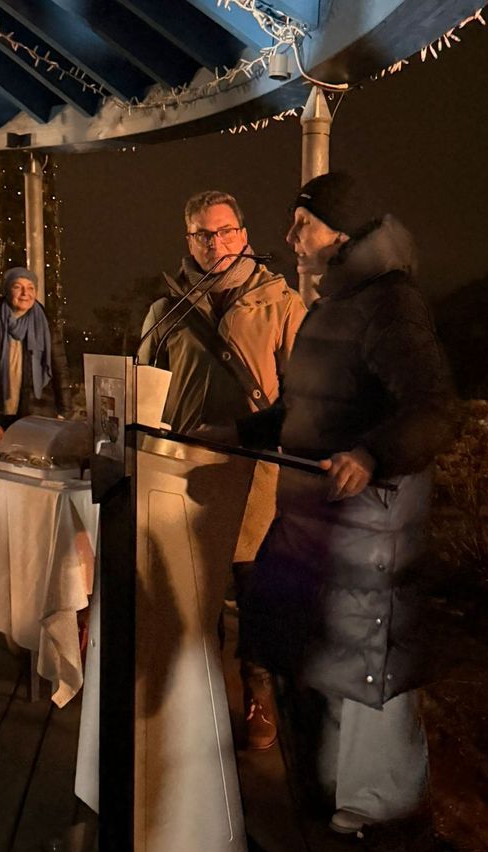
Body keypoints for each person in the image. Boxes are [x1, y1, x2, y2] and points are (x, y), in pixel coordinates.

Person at [231, 172, 455, 836]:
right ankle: (333, 802)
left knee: (369, 679)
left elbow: (434, 409)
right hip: (315, 521)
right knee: (321, 664)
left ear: (341, 231)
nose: (290, 236)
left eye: (302, 223)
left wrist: (371, 455)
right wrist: (234, 435)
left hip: (369, 530)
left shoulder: (391, 304)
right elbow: (300, 409)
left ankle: (381, 815)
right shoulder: (332, 305)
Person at [139, 190, 307, 749]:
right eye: (204, 235)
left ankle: (258, 694)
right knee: (195, 592)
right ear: (188, 239)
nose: (218, 244)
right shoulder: (166, 312)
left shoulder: (281, 303)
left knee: (254, 590)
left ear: (244, 233)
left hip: (257, 473)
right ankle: (202, 694)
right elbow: (143, 389)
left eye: (227, 231)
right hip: (186, 473)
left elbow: (304, 399)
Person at [0, 267, 72, 427]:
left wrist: (64, 411)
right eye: (18, 287)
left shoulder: (46, 326)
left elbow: (60, 370)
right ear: (7, 290)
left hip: (36, 414)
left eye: (31, 288)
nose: (25, 293)